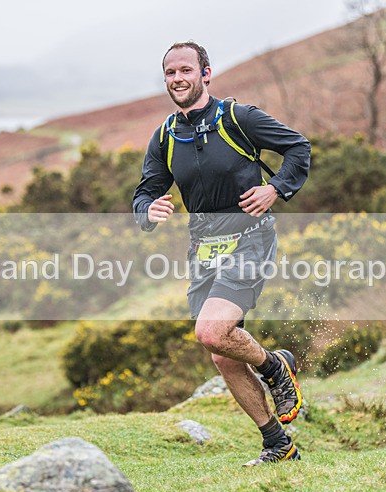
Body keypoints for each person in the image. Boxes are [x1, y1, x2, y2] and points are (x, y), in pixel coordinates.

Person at [132, 41, 311, 467]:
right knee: (221, 352)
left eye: (186, 70)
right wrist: (148, 210)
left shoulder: (237, 117)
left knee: (212, 332)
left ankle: (274, 368)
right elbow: (145, 191)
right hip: (204, 248)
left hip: (251, 237)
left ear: (205, 74)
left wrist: (276, 188)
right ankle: (278, 445)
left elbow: (298, 148)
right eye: (170, 73)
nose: (177, 79)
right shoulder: (165, 136)